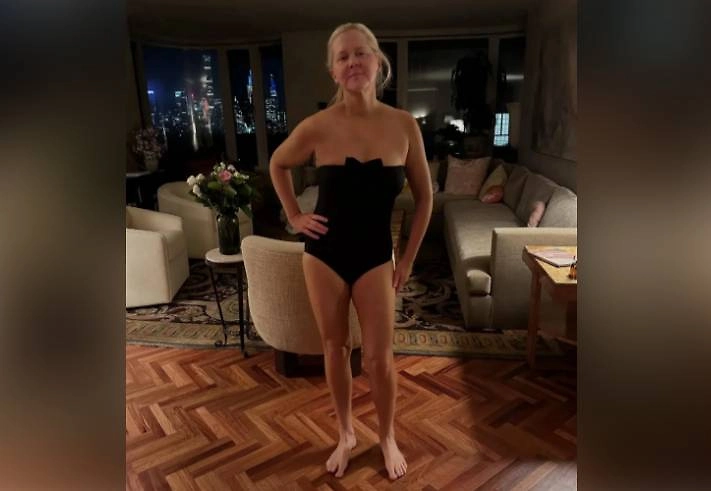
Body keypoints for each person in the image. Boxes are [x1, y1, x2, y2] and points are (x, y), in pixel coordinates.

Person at [269, 22, 433, 480]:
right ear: (333, 70)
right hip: (324, 253)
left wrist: (408, 259)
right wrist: (294, 216)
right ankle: (345, 433)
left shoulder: (403, 125)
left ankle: (387, 436)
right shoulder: (317, 126)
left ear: (378, 61)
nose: (353, 62)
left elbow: (426, 200)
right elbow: (278, 164)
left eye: (361, 53)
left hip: (376, 253)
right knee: (335, 346)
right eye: (343, 57)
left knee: (379, 357)